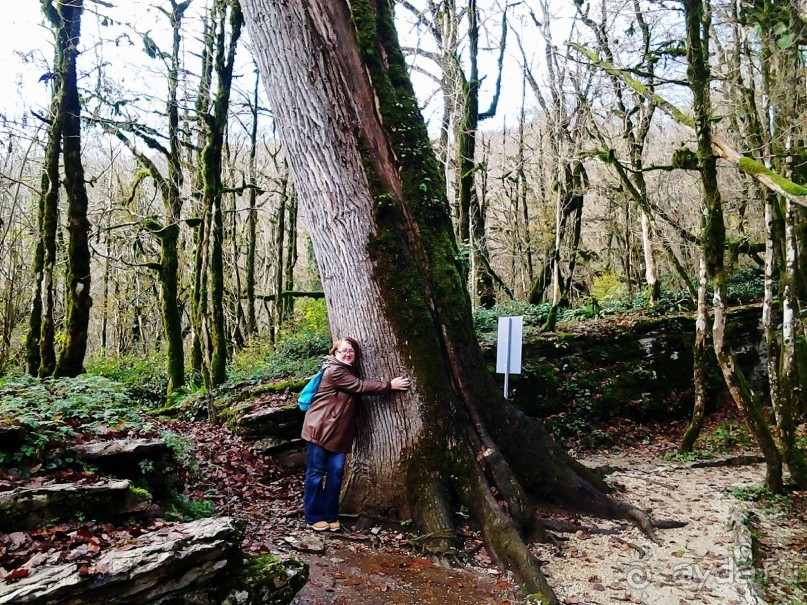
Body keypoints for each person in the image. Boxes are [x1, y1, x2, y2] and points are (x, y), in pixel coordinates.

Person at [301, 337, 410, 532]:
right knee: (316, 474)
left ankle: (331, 515)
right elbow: (359, 386)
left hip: (339, 434)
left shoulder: (349, 369)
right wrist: (389, 385)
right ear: (334, 353)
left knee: (335, 474)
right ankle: (313, 516)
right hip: (318, 429)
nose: (347, 354)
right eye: (343, 351)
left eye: (351, 351)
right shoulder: (334, 371)